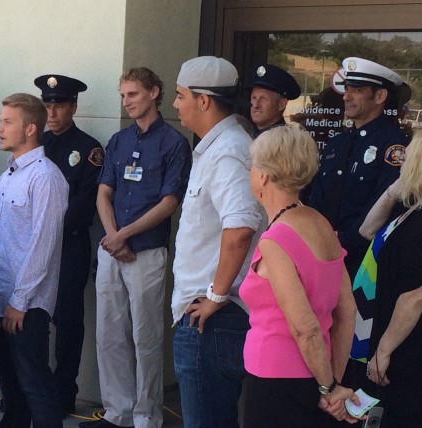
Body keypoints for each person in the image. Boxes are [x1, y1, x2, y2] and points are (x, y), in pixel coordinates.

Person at [81, 67, 191, 428]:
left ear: (154, 93)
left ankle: (146, 417)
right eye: (123, 94)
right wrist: (114, 238)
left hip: (146, 252)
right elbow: (103, 192)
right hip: (113, 249)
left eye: (133, 94)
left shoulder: (174, 143)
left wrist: (123, 235)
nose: (126, 101)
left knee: (145, 338)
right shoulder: (118, 140)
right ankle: (117, 412)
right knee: (108, 335)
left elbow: (169, 203)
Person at [239, 126, 360, 427]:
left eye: (252, 166)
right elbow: (347, 311)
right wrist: (332, 381)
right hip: (318, 375)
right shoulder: (321, 224)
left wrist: (329, 387)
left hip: (274, 381)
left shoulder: (275, 239)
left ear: (264, 175)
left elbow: (304, 328)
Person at [170, 56, 264, 428]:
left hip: (213, 319)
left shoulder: (227, 150)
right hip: (209, 314)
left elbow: (240, 228)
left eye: (180, 96)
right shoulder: (218, 146)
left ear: (203, 100)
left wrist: (215, 295)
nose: (176, 105)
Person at [0, 93, 68, 428]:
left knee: (35, 385)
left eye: (8, 122)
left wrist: (19, 302)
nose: (0, 129)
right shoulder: (9, 174)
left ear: (31, 128)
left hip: (26, 305)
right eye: (0, 121)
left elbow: (43, 245)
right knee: (11, 386)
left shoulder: (46, 177)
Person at [33, 74, 104, 416]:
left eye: (59, 105)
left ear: (73, 106)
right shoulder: (36, 145)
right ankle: (37, 391)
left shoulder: (88, 149)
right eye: (47, 105)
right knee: (33, 319)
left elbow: (83, 204)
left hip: (68, 246)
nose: (52, 112)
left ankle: (64, 394)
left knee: (68, 324)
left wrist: (46, 229)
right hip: (36, 248)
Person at [308, 57, 410, 280]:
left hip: (362, 263)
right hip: (321, 255)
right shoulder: (338, 143)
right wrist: (317, 236)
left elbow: (383, 205)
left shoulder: (393, 145)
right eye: (346, 89)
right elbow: (318, 196)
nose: (346, 96)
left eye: (356, 90)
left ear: (380, 96)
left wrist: (342, 242)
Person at [364, 133, 422, 427]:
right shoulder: (410, 206)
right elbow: (367, 229)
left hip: (405, 344)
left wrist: (383, 351)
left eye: (409, 155)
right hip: (386, 332)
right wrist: (393, 189)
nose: (401, 160)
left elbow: (415, 296)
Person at [247, 64, 301, 138]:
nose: (256, 105)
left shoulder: (287, 143)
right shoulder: (246, 135)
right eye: (254, 98)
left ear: (281, 104)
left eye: (263, 99)